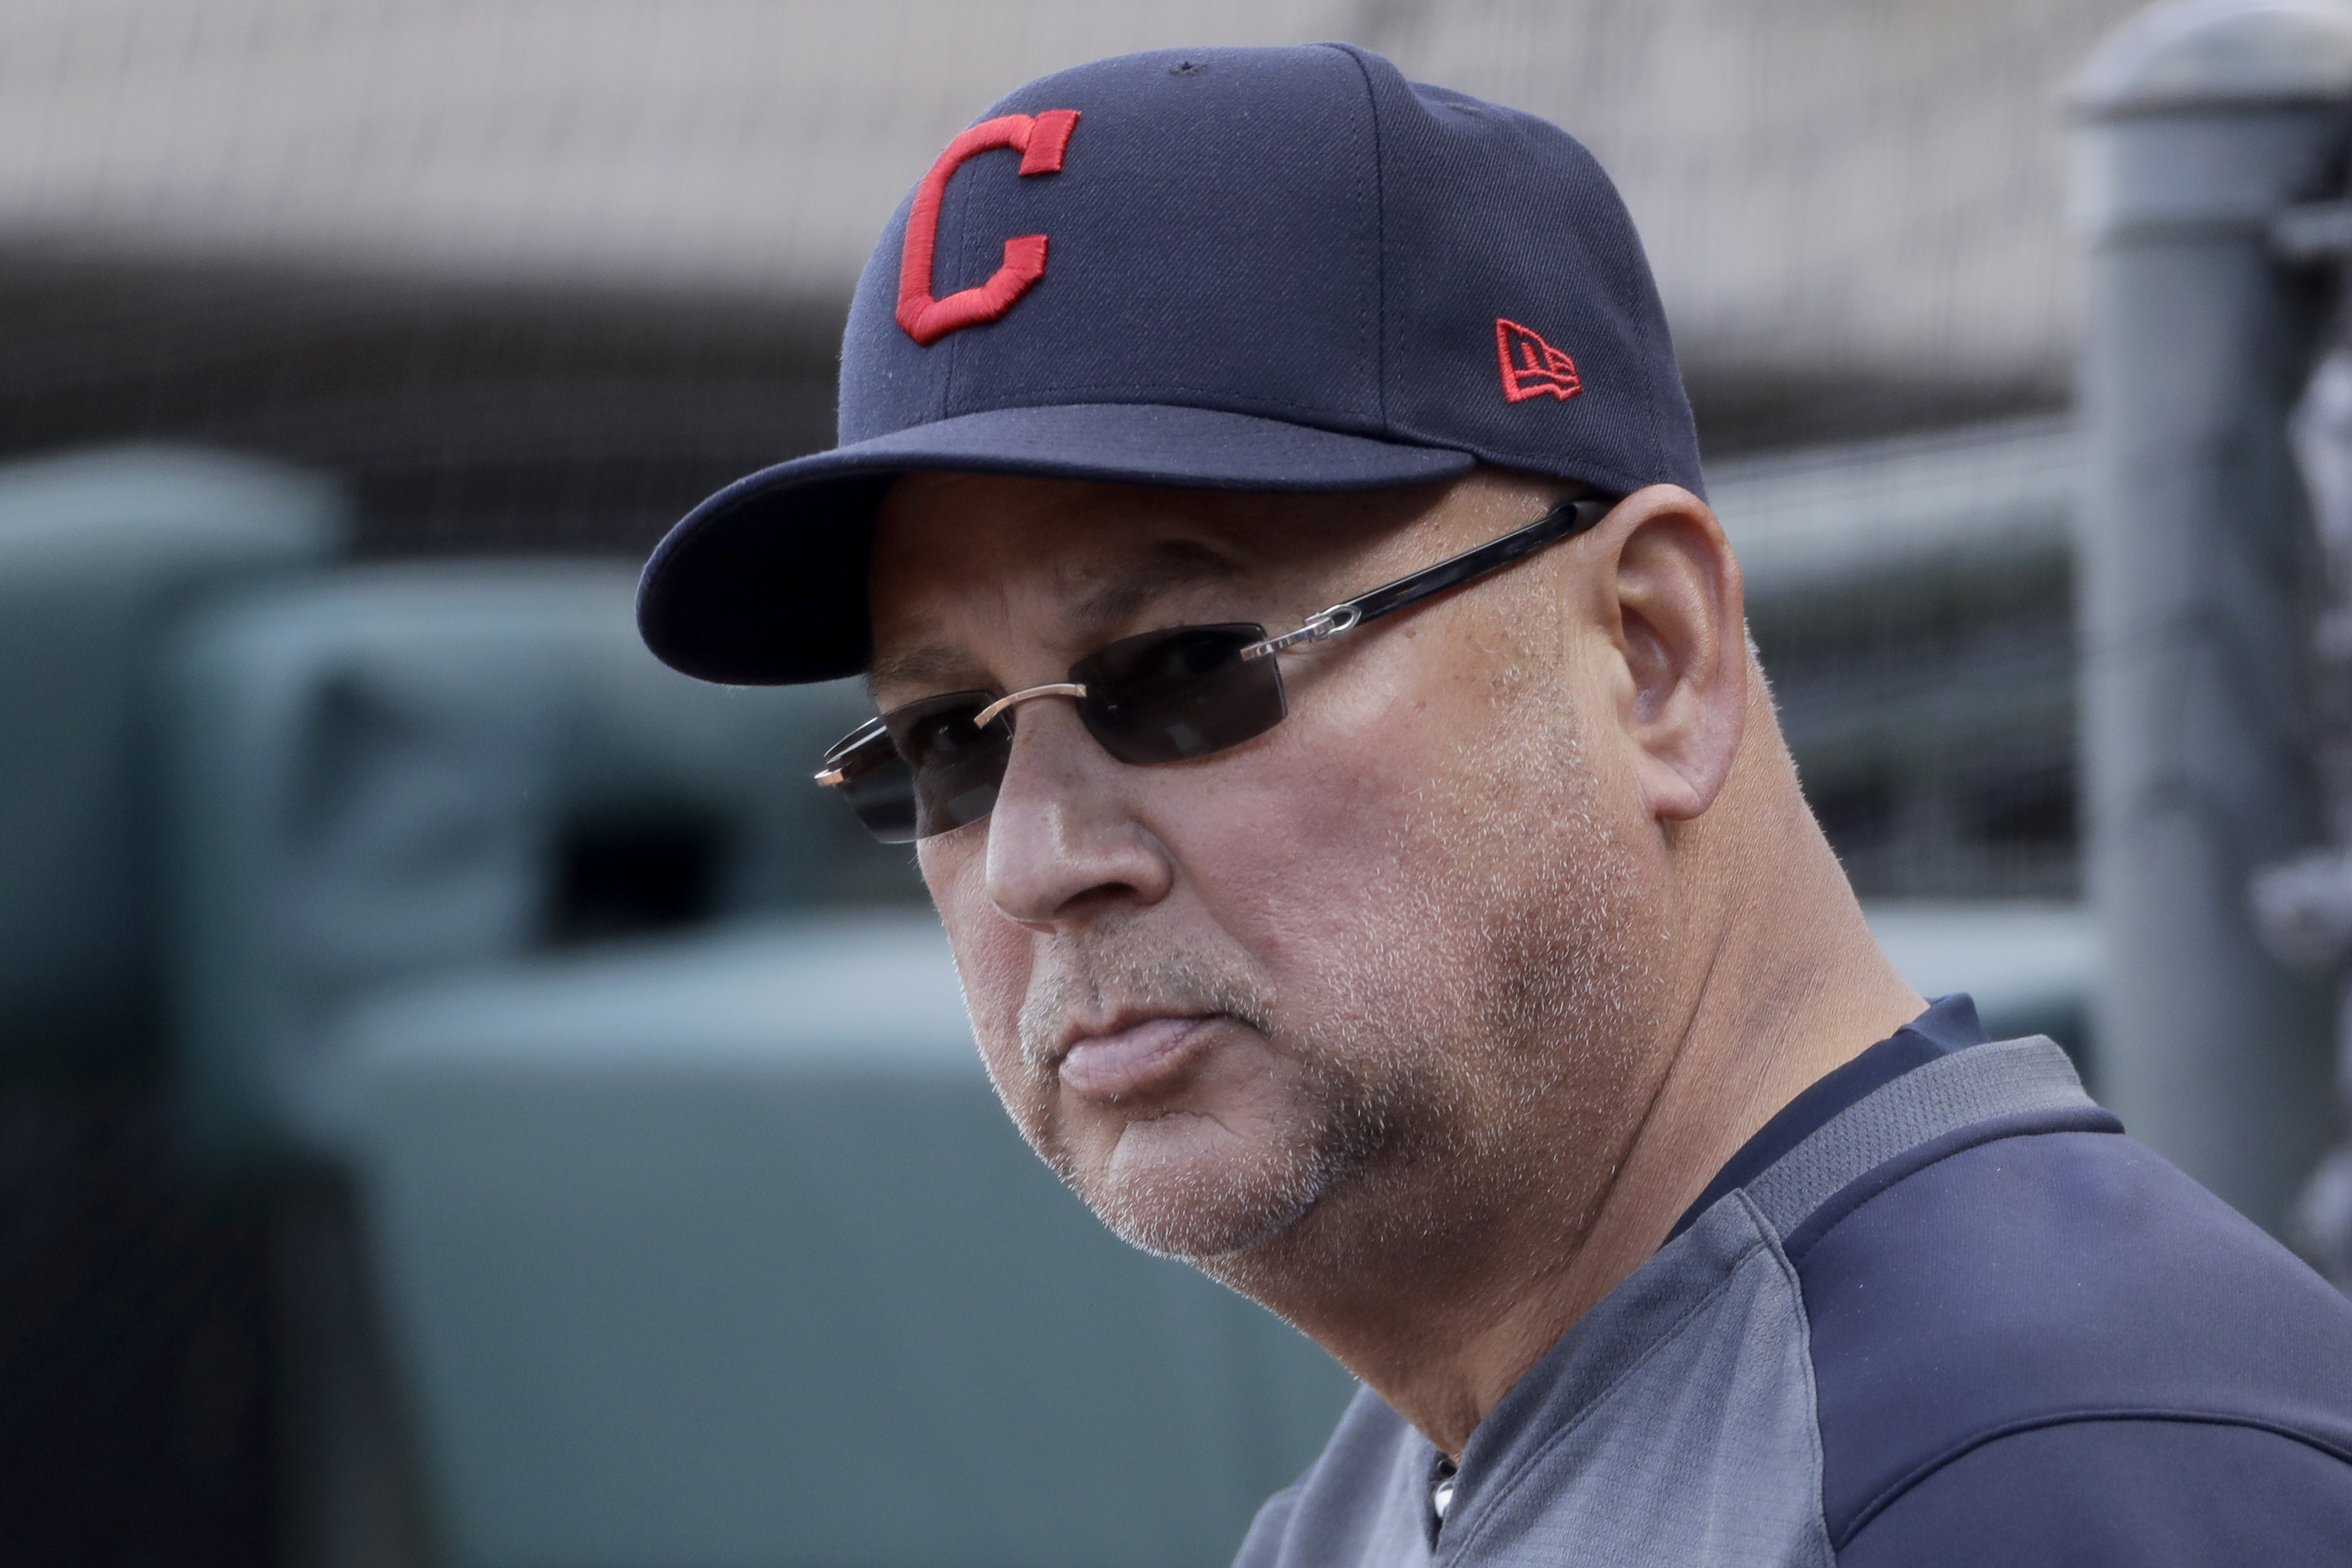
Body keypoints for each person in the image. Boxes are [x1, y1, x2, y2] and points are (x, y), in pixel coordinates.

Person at [636, 42, 2352, 1567]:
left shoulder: (2040, 1481)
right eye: (945, 737)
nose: (1033, 858)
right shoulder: (1375, 1499)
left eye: (1180, 669)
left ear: (1650, 656)